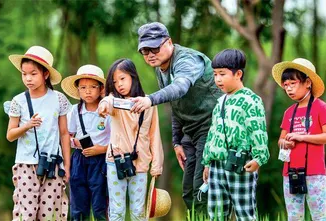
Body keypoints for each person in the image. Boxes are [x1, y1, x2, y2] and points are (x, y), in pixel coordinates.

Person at [131, 21, 223, 213]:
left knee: (202, 189)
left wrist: (150, 99)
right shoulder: (160, 67)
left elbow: (180, 87)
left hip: (212, 126)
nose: (150, 55)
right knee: (188, 192)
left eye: (154, 48)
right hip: (190, 131)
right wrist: (176, 141)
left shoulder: (187, 60)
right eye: (145, 51)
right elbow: (177, 104)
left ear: (169, 42)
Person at [202, 49, 270, 220]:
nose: (217, 79)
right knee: (216, 212)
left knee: (244, 211)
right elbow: (213, 132)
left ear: (238, 73)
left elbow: (258, 131)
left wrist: (259, 158)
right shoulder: (220, 102)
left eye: (222, 74)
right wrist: (207, 161)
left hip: (240, 161)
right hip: (217, 165)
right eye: (215, 74)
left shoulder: (250, 100)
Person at [6, 46, 71, 221]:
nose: (28, 78)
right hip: (26, 164)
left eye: (33, 74)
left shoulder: (59, 99)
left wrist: (67, 166)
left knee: (50, 214)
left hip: (54, 164)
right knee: (26, 214)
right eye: (24, 73)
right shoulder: (18, 101)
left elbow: (64, 134)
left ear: (45, 74)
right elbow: (10, 135)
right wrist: (27, 126)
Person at [98, 58, 164, 221]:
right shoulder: (115, 101)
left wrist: (157, 164)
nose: (119, 84)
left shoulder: (148, 103)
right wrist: (103, 106)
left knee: (138, 212)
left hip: (140, 163)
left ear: (133, 77)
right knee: (117, 210)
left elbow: (154, 134)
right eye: (115, 81)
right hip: (115, 162)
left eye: (122, 78)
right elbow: (107, 101)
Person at [272, 58, 326, 221]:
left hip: (315, 173)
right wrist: (285, 142)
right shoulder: (288, 112)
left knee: (319, 216)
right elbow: (281, 139)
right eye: (285, 85)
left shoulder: (321, 107)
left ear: (307, 83)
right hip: (290, 173)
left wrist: (302, 137)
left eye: (293, 83)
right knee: (294, 217)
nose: (288, 88)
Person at [61, 65, 111, 220]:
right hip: (79, 159)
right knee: (78, 205)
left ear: (101, 89)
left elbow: (117, 139)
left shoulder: (108, 111)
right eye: (83, 87)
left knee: (99, 204)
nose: (87, 91)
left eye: (92, 87)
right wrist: (75, 142)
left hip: (101, 160)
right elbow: (66, 136)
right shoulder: (75, 111)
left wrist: (101, 149)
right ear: (78, 90)